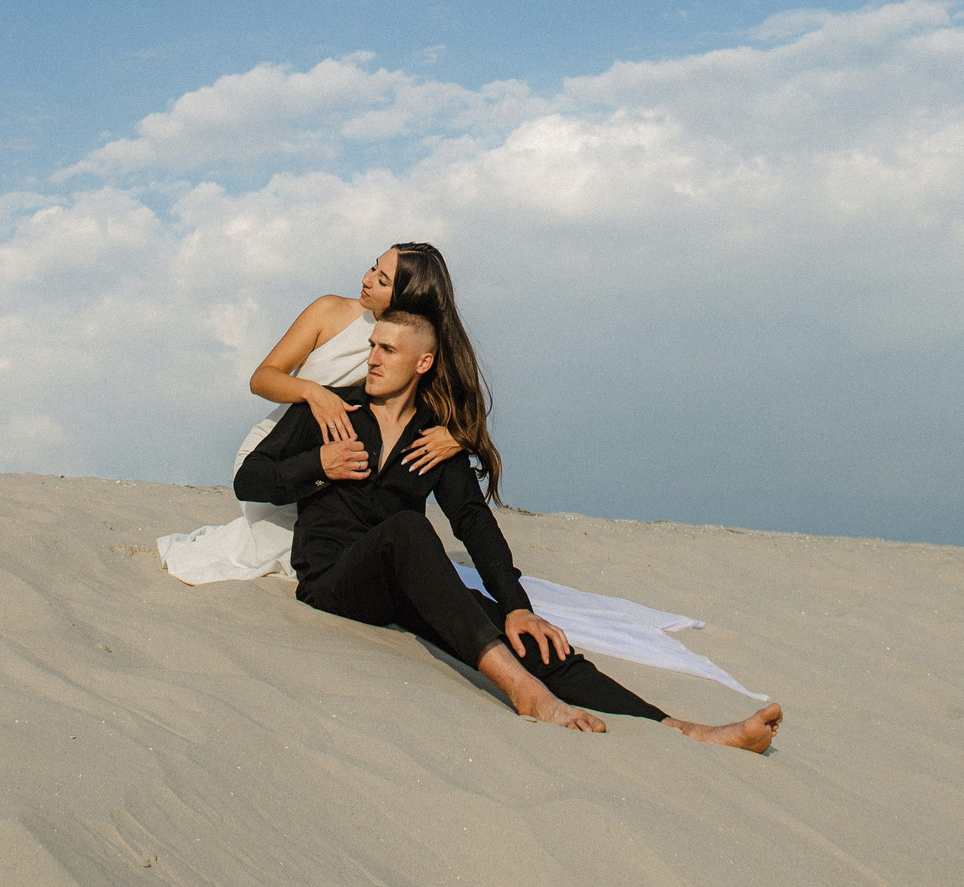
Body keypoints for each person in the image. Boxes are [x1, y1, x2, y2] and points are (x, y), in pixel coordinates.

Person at [235, 309, 783, 750]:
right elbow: (248, 480)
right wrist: (316, 466)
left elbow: (473, 522)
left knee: (525, 633)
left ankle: (680, 727)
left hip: (401, 587)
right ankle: (526, 694)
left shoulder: (433, 440)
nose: (370, 358)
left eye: (386, 350)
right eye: (372, 346)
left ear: (422, 363)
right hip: (333, 579)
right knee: (406, 529)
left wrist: (518, 604)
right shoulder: (330, 411)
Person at [157, 244, 466, 585]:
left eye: (381, 280)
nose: (365, 279)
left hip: (346, 471)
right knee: (296, 551)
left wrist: (457, 436)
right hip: (279, 453)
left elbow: (450, 410)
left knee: (360, 553)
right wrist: (313, 392)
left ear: (408, 295)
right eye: (372, 268)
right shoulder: (329, 311)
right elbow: (261, 378)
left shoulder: (419, 346)